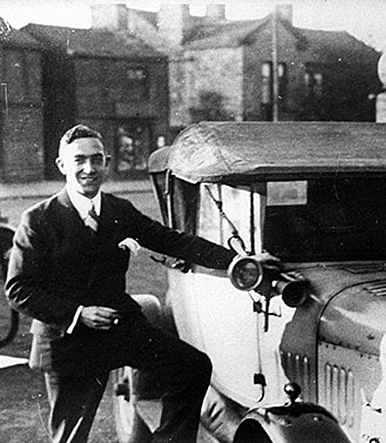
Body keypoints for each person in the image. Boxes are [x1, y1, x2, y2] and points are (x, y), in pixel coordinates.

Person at [5, 124, 279, 443]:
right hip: (68, 340)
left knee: (191, 367)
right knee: (71, 437)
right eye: (79, 160)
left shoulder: (119, 211)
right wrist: (79, 313)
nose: (89, 169)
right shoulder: (38, 219)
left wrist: (236, 261)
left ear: (107, 162)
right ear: (62, 165)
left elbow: (172, 241)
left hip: (119, 328)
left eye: (96, 159)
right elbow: (19, 290)